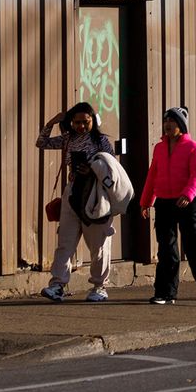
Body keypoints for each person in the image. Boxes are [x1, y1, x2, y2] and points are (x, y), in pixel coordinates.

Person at [37, 102, 118, 302]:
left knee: (98, 243)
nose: (81, 126)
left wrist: (93, 169)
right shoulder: (68, 139)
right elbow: (42, 143)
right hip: (73, 192)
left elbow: (113, 167)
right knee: (65, 240)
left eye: (85, 122)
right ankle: (57, 285)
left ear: (93, 121)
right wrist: (52, 122)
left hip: (96, 194)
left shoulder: (101, 141)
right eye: (76, 122)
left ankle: (99, 286)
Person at [139, 107, 196, 303]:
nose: (168, 125)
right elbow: (152, 174)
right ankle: (165, 293)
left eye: (172, 121)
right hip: (164, 202)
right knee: (166, 248)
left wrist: (188, 194)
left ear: (181, 125)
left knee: (194, 245)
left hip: (186, 203)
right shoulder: (159, 148)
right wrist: (146, 201)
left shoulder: (192, 147)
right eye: (166, 121)